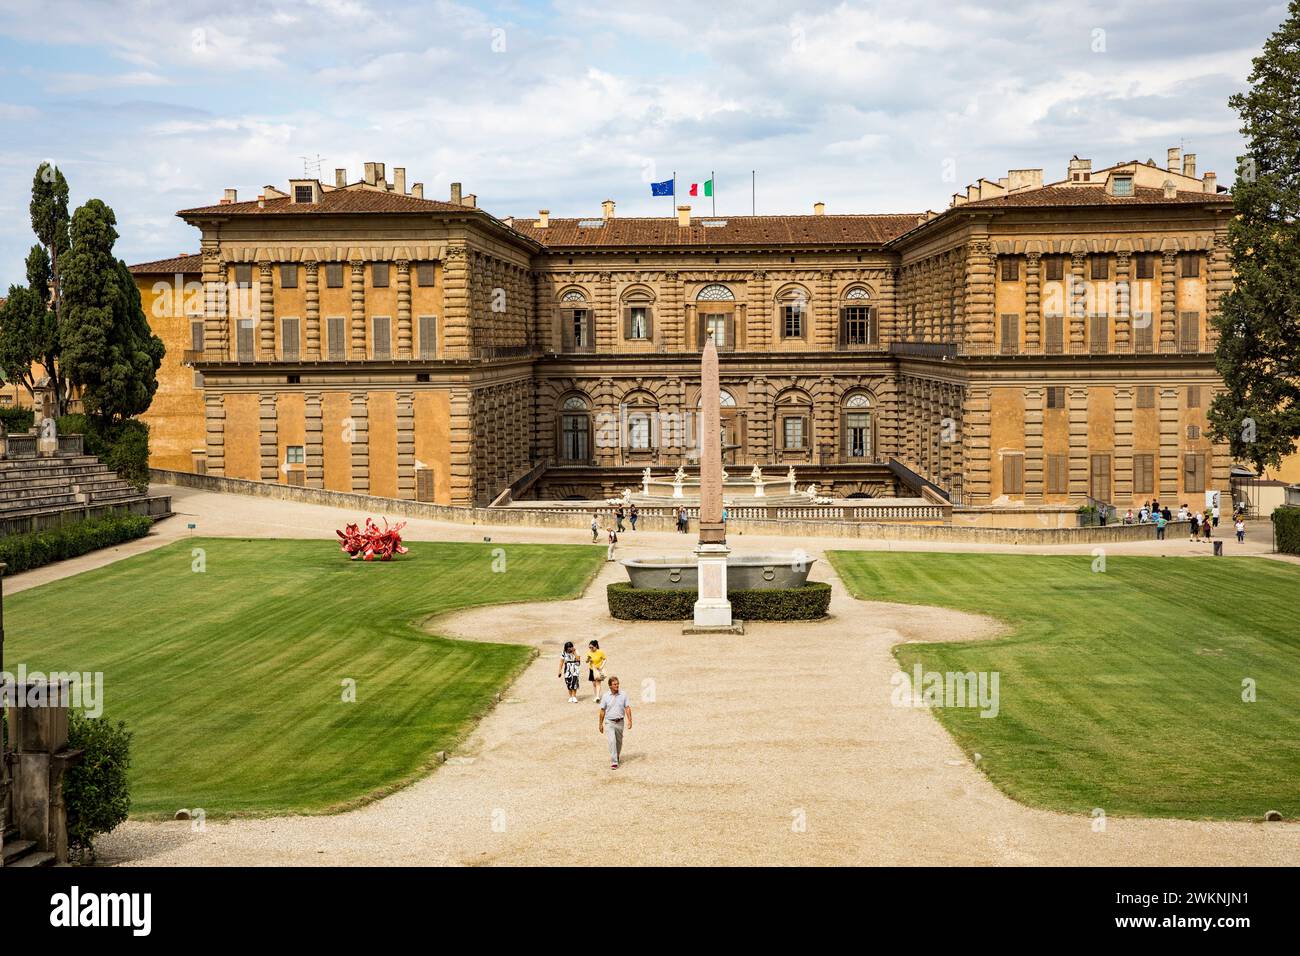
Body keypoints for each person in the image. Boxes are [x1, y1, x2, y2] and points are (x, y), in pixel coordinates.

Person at [598, 675, 632, 770]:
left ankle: (616, 756)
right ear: (610, 686)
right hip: (609, 722)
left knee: (618, 742)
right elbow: (602, 710)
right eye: (614, 684)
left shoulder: (623, 695)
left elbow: (627, 708)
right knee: (612, 741)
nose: (617, 686)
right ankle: (614, 762)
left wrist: (630, 720)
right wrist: (600, 724)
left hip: (620, 722)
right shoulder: (605, 696)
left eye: (617, 684)